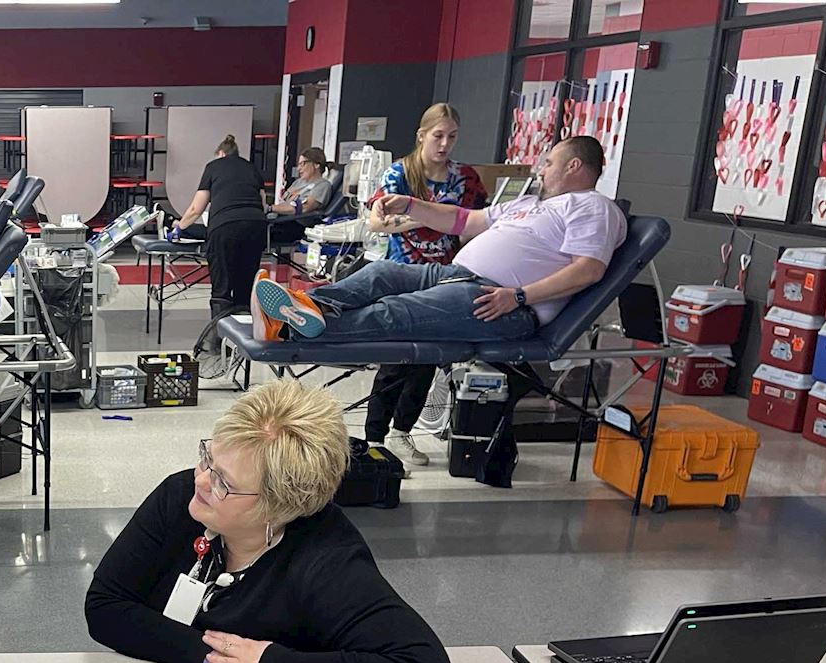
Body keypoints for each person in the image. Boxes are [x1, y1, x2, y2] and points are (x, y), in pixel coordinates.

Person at [85, 379, 451, 663]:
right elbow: (104, 607)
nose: (200, 480)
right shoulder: (180, 498)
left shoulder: (326, 557)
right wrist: (208, 657)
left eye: (222, 482)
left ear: (279, 506)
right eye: (207, 458)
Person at [253, 136, 625, 348]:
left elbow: (588, 270)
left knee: (394, 311)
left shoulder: (592, 207)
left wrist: (519, 296)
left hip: (501, 303)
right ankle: (298, 307)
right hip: (458, 274)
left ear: (574, 166)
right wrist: (410, 204)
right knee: (380, 273)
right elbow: (465, 220)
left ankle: (286, 329)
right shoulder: (531, 203)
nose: (540, 169)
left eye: (549, 162)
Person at [359, 104, 489, 467]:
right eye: (438, 136)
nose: (445, 144)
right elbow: (377, 223)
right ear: (422, 136)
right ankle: (374, 438)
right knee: (395, 361)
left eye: (452, 136)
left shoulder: (465, 179)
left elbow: (478, 224)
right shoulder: (400, 174)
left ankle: (402, 433)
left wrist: (425, 218)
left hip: (446, 279)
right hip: (404, 275)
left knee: (427, 362)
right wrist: (429, 218)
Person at [176, 134, 269, 324]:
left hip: (224, 227)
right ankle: (244, 336)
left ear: (220, 154)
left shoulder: (213, 166)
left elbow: (196, 208)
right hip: (255, 226)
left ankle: (219, 336)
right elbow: (263, 204)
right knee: (246, 283)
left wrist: (180, 227)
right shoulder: (251, 167)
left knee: (222, 286)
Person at [268, 146, 334, 244]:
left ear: (316, 164)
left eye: (303, 164)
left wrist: (270, 208)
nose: (299, 168)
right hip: (280, 220)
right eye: (299, 165)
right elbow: (285, 201)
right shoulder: (299, 182)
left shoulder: (323, 185)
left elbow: (304, 208)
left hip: (296, 225)